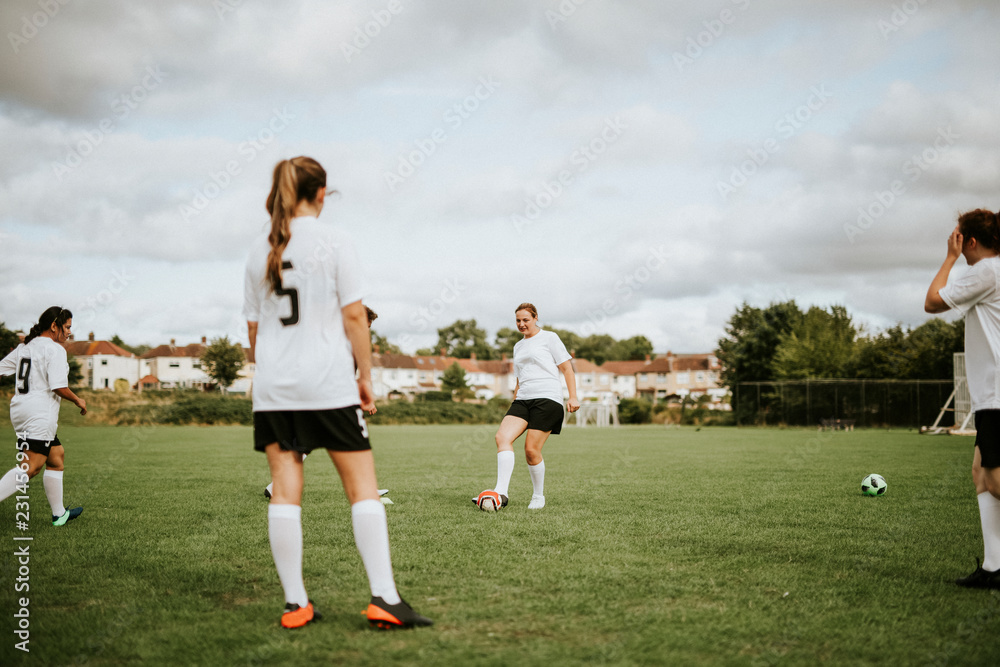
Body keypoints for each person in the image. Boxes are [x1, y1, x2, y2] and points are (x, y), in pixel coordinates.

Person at [244, 156, 431, 629]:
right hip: (327, 383)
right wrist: (364, 374)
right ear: (321, 194)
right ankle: (384, 600)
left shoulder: (259, 249)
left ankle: (295, 605)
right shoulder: (336, 241)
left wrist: (272, 373)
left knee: (285, 492)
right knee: (362, 490)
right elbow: (354, 317)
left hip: (274, 390)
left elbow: (254, 331)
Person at [925, 208, 1000, 589]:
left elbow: (933, 301)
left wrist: (950, 257)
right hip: (991, 395)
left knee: (995, 478)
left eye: (958, 238)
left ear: (969, 240)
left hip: (998, 394)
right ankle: (993, 567)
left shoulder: (986, 271)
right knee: (981, 475)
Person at [263, 305, 379, 500]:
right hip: (324, 398)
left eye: (367, 328)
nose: (365, 332)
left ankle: (275, 486)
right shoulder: (337, 341)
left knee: (304, 443)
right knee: (355, 442)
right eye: (364, 326)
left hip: (319, 397)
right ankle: (367, 490)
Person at [478, 303, 580, 509]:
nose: (522, 324)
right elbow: (520, 377)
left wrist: (573, 397)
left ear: (535, 318)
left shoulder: (550, 338)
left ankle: (538, 496)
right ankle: (501, 493)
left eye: (526, 319)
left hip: (548, 399)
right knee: (502, 437)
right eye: (518, 320)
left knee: (531, 450)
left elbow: (567, 369)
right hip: (523, 399)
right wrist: (515, 400)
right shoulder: (518, 346)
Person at [0, 307, 86, 526]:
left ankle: (59, 515)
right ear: (54, 326)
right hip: (39, 413)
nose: (69, 333)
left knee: (56, 457)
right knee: (31, 466)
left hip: (20, 410)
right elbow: (58, 387)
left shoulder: (24, 347)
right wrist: (78, 400)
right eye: (67, 327)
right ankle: (58, 515)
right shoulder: (54, 350)